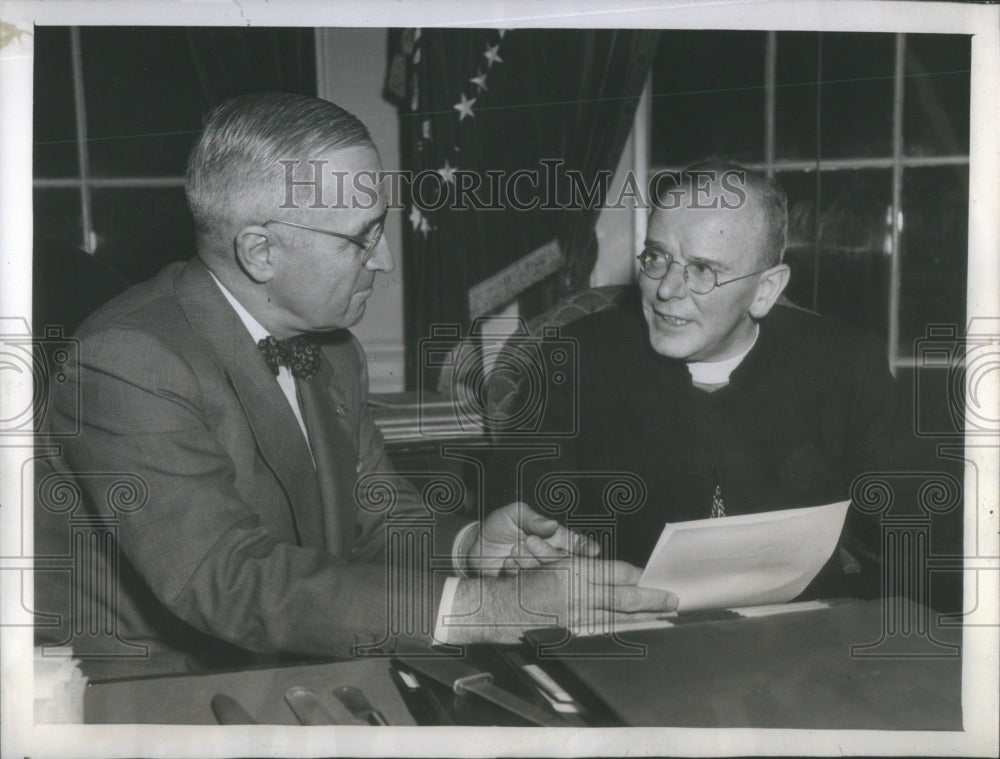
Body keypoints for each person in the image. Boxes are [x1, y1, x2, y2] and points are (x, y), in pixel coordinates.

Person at [40, 92, 675, 678]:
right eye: (361, 237)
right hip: (147, 692)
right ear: (260, 252)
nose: (386, 260)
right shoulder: (126, 359)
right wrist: (495, 608)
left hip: (294, 662)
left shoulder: (333, 349)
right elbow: (226, 580)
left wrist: (469, 547)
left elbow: (377, 516)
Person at [507, 160, 950, 603]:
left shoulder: (844, 363)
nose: (665, 290)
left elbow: (919, 530)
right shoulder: (569, 362)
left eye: (703, 270)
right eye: (657, 257)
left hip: (808, 637)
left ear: (765, 291)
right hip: (630, 634)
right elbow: (520, 533)